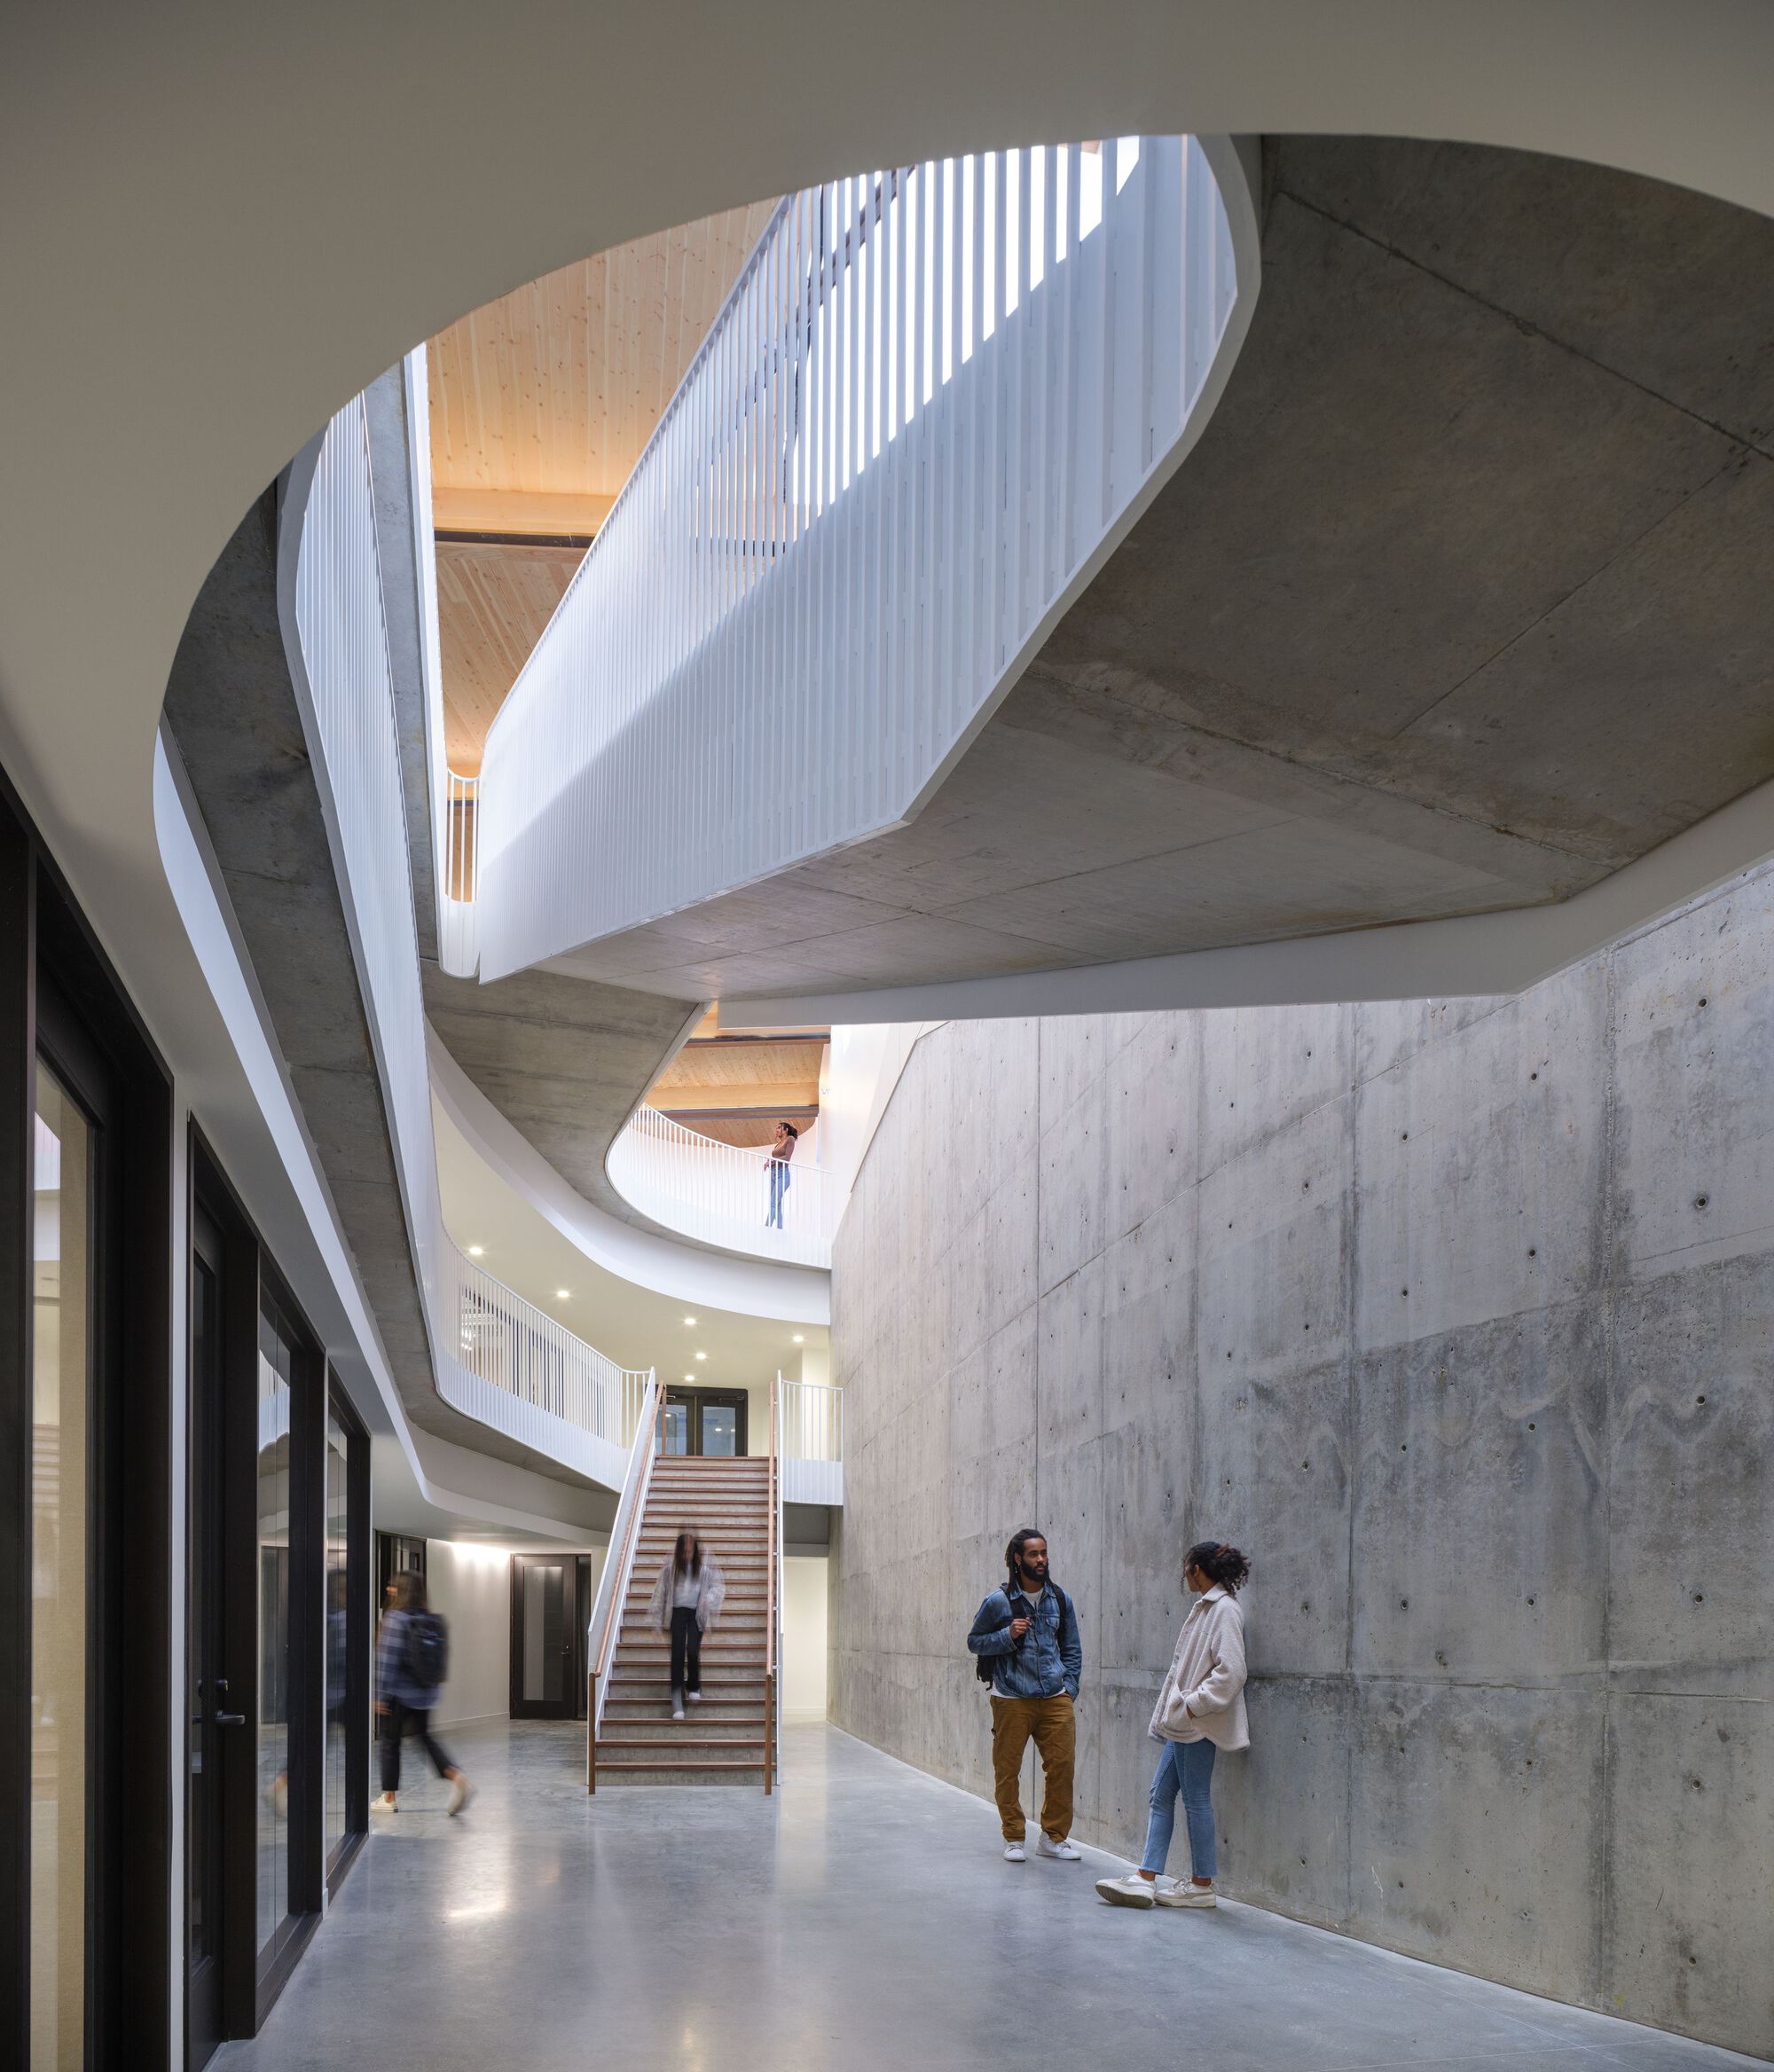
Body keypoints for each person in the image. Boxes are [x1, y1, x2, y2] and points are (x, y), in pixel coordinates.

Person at [1095, 1540, 1251, 1910]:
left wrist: (1193, 1705)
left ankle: (1201, 1886)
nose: (1185, 1577)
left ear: (1197, 1569)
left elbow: (1233, 1672)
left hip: (1198, 1723)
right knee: (1160, 1794)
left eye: (1186, 1570)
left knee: (1195, 1798)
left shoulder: (1224, 1610)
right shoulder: (1209, 1607)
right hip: (1185, 1723)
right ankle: (1145, 1877)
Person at [966, 1528, 1083, 1863]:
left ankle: (1053, 1838)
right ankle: (1014, 1836)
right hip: (1011, 1698)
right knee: (1007, 1770)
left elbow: (1072, 1648)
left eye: (1044, 1553)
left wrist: (1069, 1688)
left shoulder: (1060, 1599)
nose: (1041, 1559)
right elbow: (974, 1641)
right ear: (1018, 1559)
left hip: (1055, 1698)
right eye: (1033, 1554)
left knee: (1062, 1768)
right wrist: (1007, 1635)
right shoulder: (998, 1601)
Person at [373, 1571, 472, 1814]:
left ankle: (388, 1798)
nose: (389, 1589)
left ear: (402, 1590)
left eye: (393, 1586)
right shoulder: (430, 1619)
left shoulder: (395, 1619)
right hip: (426, 1694)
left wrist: (380, 1694)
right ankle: (456, 1776)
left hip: (398, 1695)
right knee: (425, 1738)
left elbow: (388, 1660)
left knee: (389, 1743)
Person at [647, 1528, 726, 1720]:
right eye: (684, 1551)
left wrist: (709, 1598)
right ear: (679, 1551)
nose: (687, 1554)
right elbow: (659, 1594)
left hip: (695, 1614)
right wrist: (655, 1623)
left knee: (692, 1651)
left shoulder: (703, 1570)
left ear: (695, 1551)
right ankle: (677, 1703)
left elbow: (718, 1587)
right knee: (677, 1655)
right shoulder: (669, 1571)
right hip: (676, 1614)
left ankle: (694, 1686)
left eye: (690, 1550)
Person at [765, 1119, 797, 1228]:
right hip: (773, 1174)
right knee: (777, 1204)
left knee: (773, 1202)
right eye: (776, 1128)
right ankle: (779, 1229)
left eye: (779, 1128)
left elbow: (787, 1158)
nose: (777, 1130)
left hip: (782, 1174)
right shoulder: (777, 1145)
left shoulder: (790, 1139)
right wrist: (769, 1162)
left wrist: (771, 1161)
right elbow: (775, 1158)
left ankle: (766, 1227)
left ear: (785, 1129)